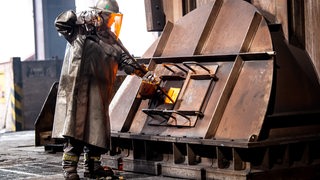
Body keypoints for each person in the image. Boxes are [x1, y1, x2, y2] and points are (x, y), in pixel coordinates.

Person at [51, 0, 147, 179]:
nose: (110, 21)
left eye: (112, 18)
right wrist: (77, 16)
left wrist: (143, 72)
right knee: (76, 132)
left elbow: (126, 61)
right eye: (108, 17)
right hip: (77, 92)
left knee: (97, 133)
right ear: (99, 15)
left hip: (99, 95)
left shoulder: (112, 40)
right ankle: (70, 169)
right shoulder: (78, 30)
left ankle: (93, 168)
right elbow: (61, 22)